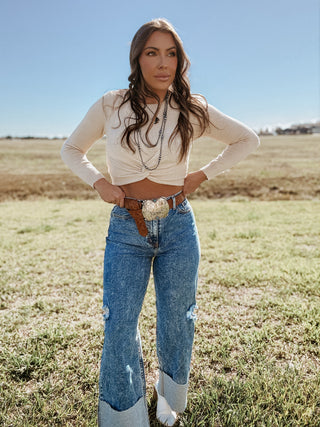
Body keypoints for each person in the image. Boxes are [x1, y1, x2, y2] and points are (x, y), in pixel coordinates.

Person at [61, 18, 260, 427]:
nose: (162, 62)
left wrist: (200, 174)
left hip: (177, 224)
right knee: (119, 323)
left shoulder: (191, 107)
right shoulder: (111, 105)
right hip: (126, 226)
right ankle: (123, 415)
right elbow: (72, 148)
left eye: (171, 53)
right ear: (137, 57)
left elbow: (247, 139)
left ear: (180, 61)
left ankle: (171, 403)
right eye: (152, 52)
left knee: (179, 317)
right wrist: (99, 181)